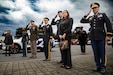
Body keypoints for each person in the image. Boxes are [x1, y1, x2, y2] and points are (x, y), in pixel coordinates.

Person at [80, 2, 113, 73]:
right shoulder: (91, 17)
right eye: (93, 8)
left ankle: (102, 66)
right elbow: (82, 21)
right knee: (96, 53)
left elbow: (108, 24)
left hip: (101, 37)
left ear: (98, 8)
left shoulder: (102, 15)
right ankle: (98, 66)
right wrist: (87, 14)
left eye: (95, 7)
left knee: (102, 52)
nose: (94, 9)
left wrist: (109, 35)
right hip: (93, 37)